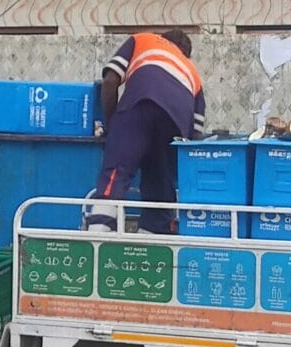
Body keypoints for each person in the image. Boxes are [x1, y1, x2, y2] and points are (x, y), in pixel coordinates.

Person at [86, 29, 205, 234]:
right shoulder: (193, 74)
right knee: (161, 182)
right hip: (176, 124)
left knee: (116, 171)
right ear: (186, 54)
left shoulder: (142, 39)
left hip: (139, 104)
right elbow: (195, 137)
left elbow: (110, 81)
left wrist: (112, 126)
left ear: (162, 38)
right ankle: (153, 237)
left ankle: (98, 232)